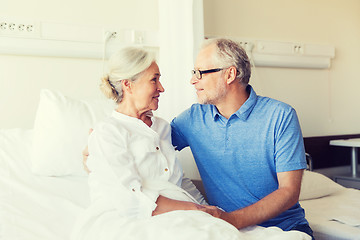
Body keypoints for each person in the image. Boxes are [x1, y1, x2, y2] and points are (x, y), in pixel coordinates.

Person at [72, 47, 234, 240]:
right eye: (154, 79)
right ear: (128, 85)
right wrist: (195, 209)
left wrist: (208, 211)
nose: (161, 88)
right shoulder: (108, 133)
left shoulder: (162, 128)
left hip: (178, 213)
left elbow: (177, 181)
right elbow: (131, 200)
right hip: (131, 219)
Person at [170, 38, 314, 239]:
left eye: (200, 73)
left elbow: (289, 191)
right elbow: (150, 145)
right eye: (194, 73)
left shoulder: (280, 116)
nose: (193, 80)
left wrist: (231, 219)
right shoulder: (193, 119)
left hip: (284, 229)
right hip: (227, 230)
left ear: (230, 74)